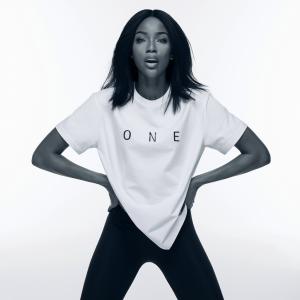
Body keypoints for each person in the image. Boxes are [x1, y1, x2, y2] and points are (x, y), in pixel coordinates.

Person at [32, 9, 271, 300]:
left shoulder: (198, 105)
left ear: (173, 51)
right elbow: (44, 155)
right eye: (141, 40)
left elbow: (257, 154)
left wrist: (196, 182)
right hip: (123, 228)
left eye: (161, 40)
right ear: (129, 51)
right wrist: (105, 181)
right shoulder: (104, 105)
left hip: (176, 230)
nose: (151, 48)